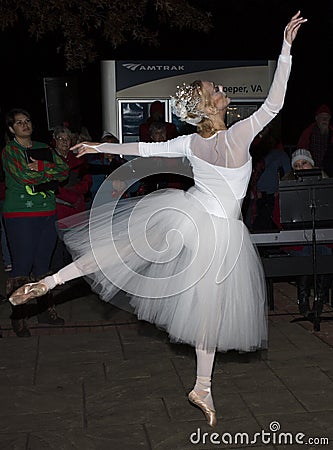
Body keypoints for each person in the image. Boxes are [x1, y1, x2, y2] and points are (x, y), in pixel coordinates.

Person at [9, 12, 306, 425]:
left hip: (186, 216)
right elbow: (275, 102)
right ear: (208, 106)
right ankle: (201, 383)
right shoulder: (237, 135)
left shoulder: (190, 141)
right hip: (217, 231)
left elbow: (144, 151)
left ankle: (53, 282)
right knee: (208, 312)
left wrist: (98, 146)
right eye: (214, 88)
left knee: (129, 256)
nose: (221, 89)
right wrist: (286, 49)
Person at [2, 108, 69, 337]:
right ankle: (18, 316)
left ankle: (44, 310)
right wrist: (49, 174)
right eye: (19, 122)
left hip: (47, 212)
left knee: (43, 265)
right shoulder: (10, 151)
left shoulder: (43, 148)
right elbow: (23, 176)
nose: (25, 124)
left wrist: (42, 167)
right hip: (21, 215)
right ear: (11, 129)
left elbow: (64, 171)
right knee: (22, 266)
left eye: (27, 120)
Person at [281, 148, 332, 317]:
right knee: (305, 254)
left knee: (324, 252)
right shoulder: (286, 185)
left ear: (312, 165)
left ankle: (320, 298)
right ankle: (303, 299)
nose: (301, 167)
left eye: (304, 163)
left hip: (323, 235)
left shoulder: (326, 183)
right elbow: (279, 215)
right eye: (297, 165)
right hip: (299, 237)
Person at [51, 126, 92, 271]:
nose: (64, 142)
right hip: (59, 208)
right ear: (54, 140)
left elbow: (87, 181)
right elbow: (52, 185)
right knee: (58, 244)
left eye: (67, 139)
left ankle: (75, 273)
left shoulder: (78, 159)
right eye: (61, 139)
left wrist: (75, 191)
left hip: (77, 208)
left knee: (76, 242)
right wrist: (69, 194)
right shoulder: (50, 159)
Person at [248, 122, 291, 231]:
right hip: (254, 198)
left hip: (272, 198)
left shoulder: (279, 154)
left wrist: (280, 191)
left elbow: (288, 175)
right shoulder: (252, 150)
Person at [297, 104, 333, 176]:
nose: (325, 120)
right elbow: (301, 151)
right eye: (322, 117)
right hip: (311, 171)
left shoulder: (332, 133)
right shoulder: (308, 133)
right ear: (316, 118)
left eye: (327, 118)